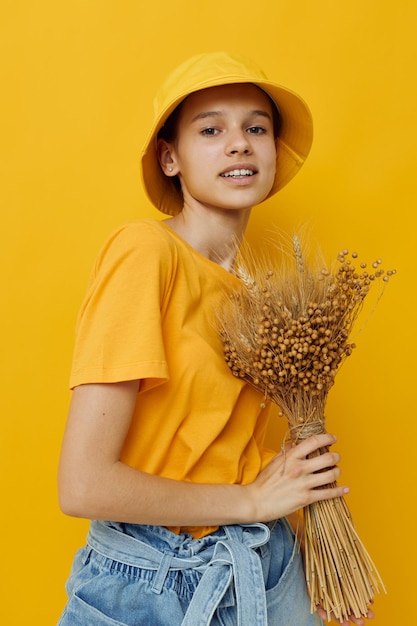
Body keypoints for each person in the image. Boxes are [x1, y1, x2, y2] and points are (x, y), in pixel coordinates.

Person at [57, 52, 375, 626]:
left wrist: (318, 559)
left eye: (257, 127)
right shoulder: (145, 253)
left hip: (264, 566)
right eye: (211, 129)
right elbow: (83, 484)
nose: (240, 144)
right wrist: (252, 502)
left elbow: (230, 460)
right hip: (153, 584)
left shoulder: (256, 296)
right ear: (170, 157)